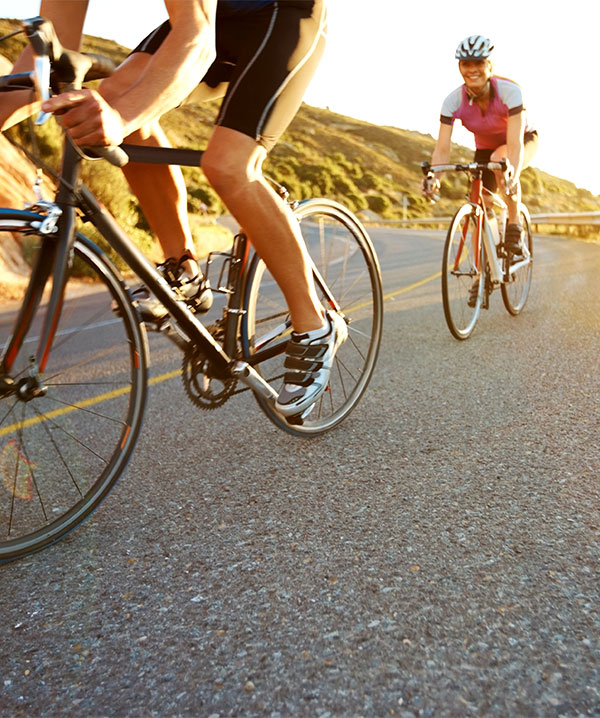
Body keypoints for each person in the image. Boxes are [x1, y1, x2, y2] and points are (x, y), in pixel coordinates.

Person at [3, 0, 346, 418]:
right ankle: (183, 270)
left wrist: (120, 120)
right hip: (219, 18)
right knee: (109, 93)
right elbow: (34, 67)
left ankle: (314, 325)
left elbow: (196, 37)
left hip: (282, 14)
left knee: (227, 163)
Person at [424, 34, 539, 257]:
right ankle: (486, 266)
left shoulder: (510, 92)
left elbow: (514, 145)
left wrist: (512, 177)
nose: (472, 69)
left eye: (479, 63)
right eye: (466, 63)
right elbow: (442, 149)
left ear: (490, 65)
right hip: (485, 149)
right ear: (460, 66)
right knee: (480, 203)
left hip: (521, 140)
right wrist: (435, 178)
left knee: (501, 162)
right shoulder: (452, 101)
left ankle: (514, 224)